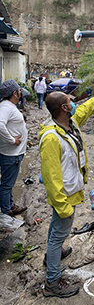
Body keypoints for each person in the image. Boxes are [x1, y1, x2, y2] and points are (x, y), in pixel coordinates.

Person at [39, 82, 94, 298]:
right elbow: (50, 176)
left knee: (57, 230)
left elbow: (91, 104)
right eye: (70, 102)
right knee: (59, 233)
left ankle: (52, 257)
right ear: (65, 109)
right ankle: (52, 283)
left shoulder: (71, 123)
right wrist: (61, 204)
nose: (75, 103)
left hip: (70, 190)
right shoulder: (51, 137)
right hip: (63, 195)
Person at [0, 79, 28, 217]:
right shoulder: (6, 107)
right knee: (6, 184)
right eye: (19, 90)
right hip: (11, 154)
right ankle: (6, 211)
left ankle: (10, 205)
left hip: (13, 153)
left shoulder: (8, 106)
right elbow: (0, 124)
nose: (20, 93)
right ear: (14, 93)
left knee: (8, 182)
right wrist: (12, 140)